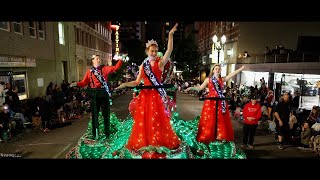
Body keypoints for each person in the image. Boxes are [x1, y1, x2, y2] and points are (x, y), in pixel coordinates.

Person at [114, 23, 181, 159]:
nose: (154, 53)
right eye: (152, 51)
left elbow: (169, 50)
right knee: (144, 120)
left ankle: (157, 142)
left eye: (156, 51)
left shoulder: (160, 63)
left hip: (156, 95)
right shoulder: (142, 66)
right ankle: (146, 142)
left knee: (157, 120)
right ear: (147, 51)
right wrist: (125, 84)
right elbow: (137, 82)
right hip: (145, 96)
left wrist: (170, 35)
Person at [185, 64, 245, 144]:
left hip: (220, 101)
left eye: (219, 69)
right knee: (210, 119)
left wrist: (240, 69)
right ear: (213, 70)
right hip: (210, 102)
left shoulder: (222, 79)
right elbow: (200, 88)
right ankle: (209, 136)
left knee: (220, 119)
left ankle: (220, 136)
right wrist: (190, 88)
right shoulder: (208, 79)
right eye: (216, 69)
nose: (217, 70)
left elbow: (231, 74)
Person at [70, 54, 123, 138]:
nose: (99, 60)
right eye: (97, 59)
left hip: (103, 93)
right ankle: (95, 134)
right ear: (93, 60)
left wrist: (120, 59)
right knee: (95, 115)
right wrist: (76, 84)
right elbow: (84, 82)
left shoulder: (104, 69)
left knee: (106, 114)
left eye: (99, 59)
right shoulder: (89, 71)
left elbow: (115, 67)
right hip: (94, 94)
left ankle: (107, 133)